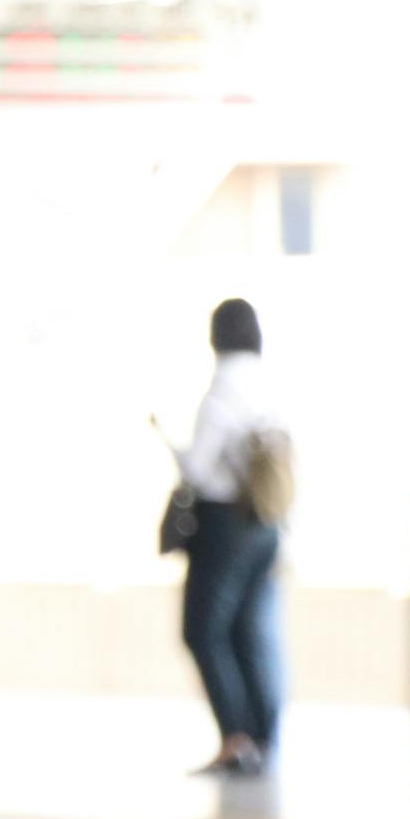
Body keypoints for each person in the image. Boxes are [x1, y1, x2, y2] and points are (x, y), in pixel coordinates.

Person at [171, 298, 288, 776]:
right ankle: (262, 732)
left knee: (202, 629)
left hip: (224, 525)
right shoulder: (268, 387)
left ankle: (235, 737)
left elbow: (198, 469)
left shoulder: (221, 393)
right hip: (266, 523)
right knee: (250, 630)